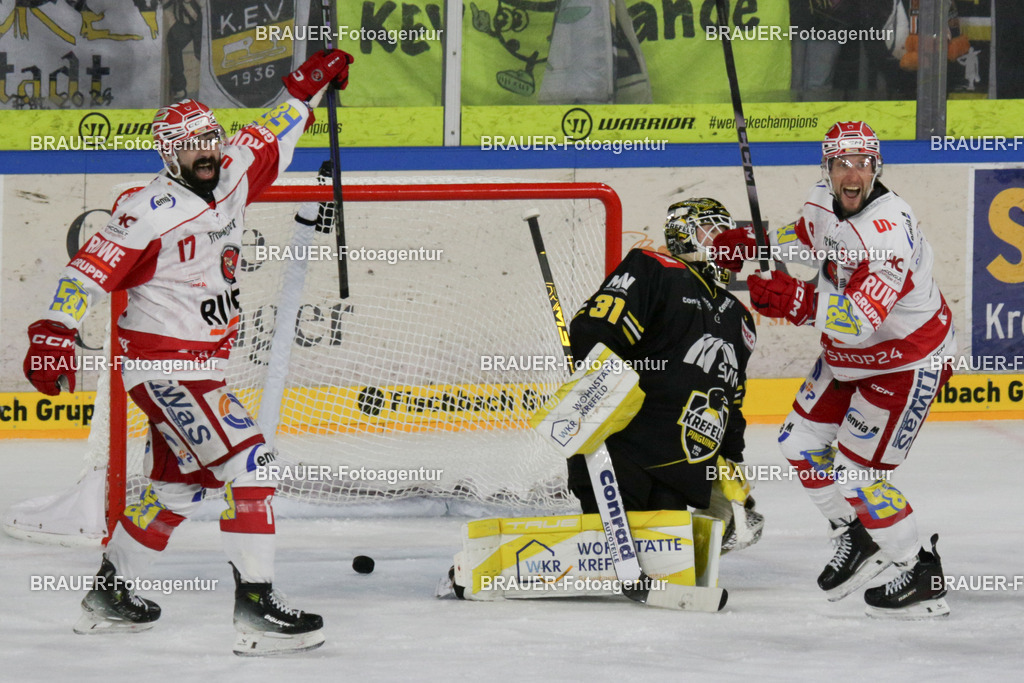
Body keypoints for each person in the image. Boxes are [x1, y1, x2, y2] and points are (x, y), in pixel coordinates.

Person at [22, 49, 354, 654]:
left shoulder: (230, 176)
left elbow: (271, 132)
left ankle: (111, 596)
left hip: (207, 370)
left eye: (210, 139)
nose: (205, 152)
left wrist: (305, 88)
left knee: (173, 489)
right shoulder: (145, 213)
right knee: (251, 466)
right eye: (190, 146)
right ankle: (256, 610)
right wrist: (52, 330)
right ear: (167, 155)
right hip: (167, 373)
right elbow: (87, 271)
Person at [714, 121, 955, 618]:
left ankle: (920, 572)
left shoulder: (889, 233)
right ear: (827, 169)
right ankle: (856, 535)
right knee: (798, 442)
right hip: (850, 361)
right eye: (842, 163)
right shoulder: (822, 199)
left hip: (905, 362)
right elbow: (804, 237)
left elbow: (858, 323)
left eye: (862, 163)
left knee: (858, 475)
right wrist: (756, 245)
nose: (852, 173)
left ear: (876, 168)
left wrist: (796, 300)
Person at [566, 198, 762, 550]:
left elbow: (731, 398)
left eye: (726, 233)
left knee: (662, 557)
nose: (722, 240)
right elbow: (593, 330)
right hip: (622, 451)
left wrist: (732, 460)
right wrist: (597, 392)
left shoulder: (739, 317)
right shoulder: (655, 269)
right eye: (712, 230)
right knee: (614, 552)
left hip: (679, 467)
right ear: (683, 235)